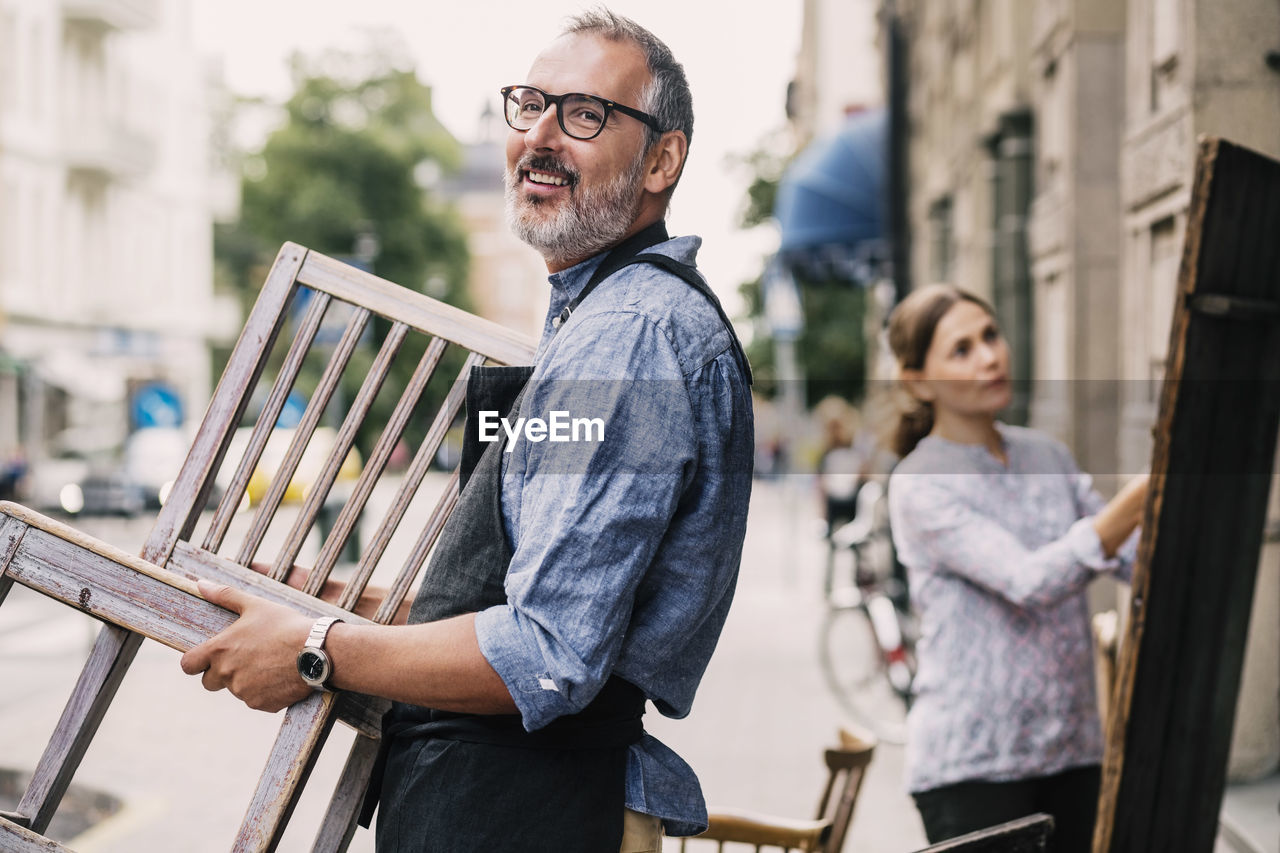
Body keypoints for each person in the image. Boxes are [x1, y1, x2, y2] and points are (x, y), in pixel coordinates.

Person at [179, 10, 754, 853]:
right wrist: (334, 600)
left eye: (586, 114)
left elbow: (549, 650)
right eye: (529, 105)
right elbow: (525, 604)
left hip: (539, 812)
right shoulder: (604, 320)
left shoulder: (630, 337)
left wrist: (313, 648)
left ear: (663, 159)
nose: (541, 136)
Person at [883, 284, 1147, 852]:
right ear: (918, 381)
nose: (989, 356)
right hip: (972, 769)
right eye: (962, 349)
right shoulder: (918, 483)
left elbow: (1133, 560)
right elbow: (1029, 581)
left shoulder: (1047, 456)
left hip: (1074, 751)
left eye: (991, 336)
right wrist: (1139, 496)